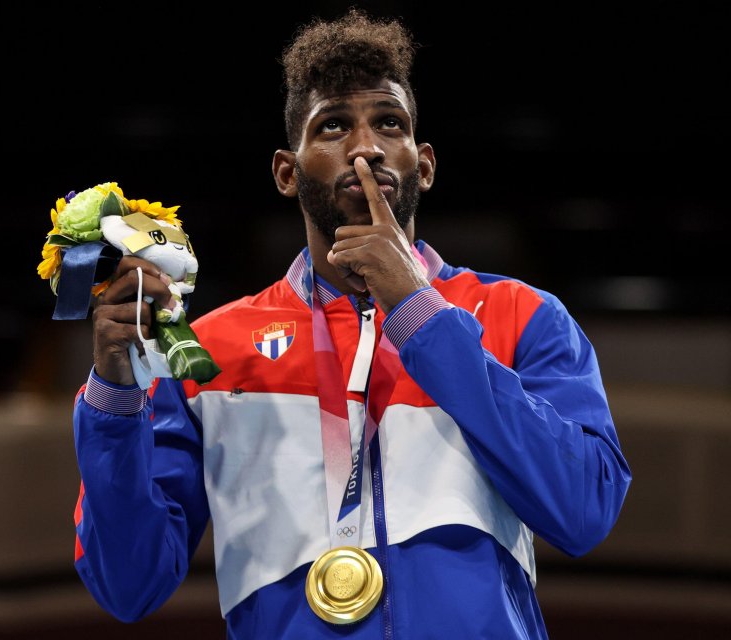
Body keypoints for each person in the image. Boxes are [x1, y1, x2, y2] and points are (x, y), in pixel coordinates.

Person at [70, 9, 631, 638]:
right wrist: (114, 398)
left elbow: (585, 510)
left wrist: (423, 318)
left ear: (423, 165)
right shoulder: (208, 352)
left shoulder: (521, 316)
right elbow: (128, 585)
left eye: (387, 124)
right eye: (334, 126)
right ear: (287, 171)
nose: (365, 148)